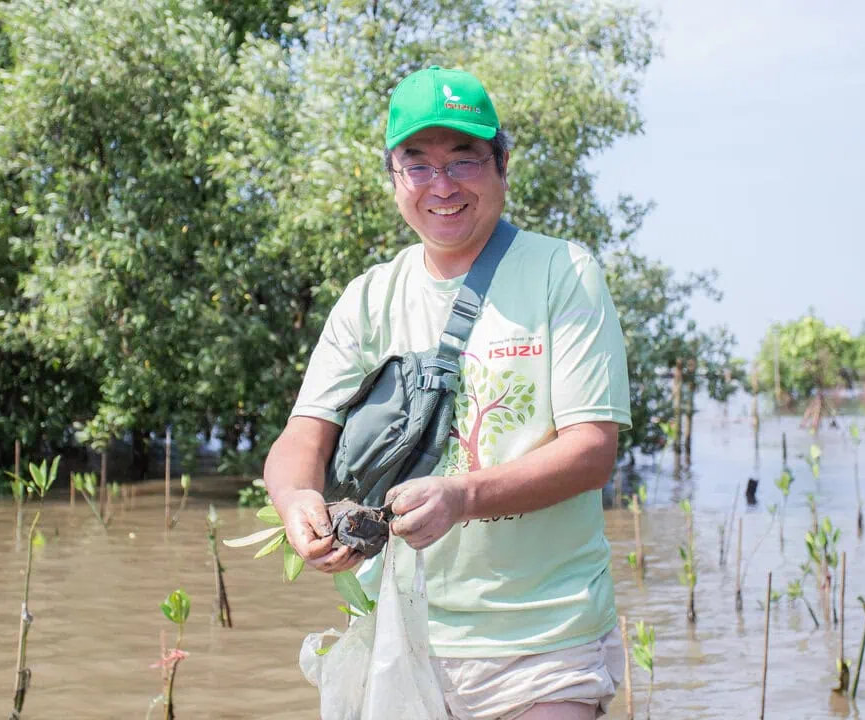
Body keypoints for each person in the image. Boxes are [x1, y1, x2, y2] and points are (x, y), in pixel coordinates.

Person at [263, 64, 633, 720]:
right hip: (397, 638)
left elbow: (592, 451)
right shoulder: (368, 297)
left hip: (541, 645)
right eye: (418, 164)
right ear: (393, 177)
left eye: (463, 160)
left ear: (502, 165)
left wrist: (460, 496)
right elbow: (303, 436)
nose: (442, 186)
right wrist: (297, 502)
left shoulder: (562, 273)